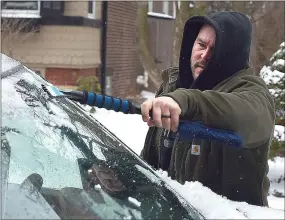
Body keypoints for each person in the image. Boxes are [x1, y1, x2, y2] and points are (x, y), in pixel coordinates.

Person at [140, 11, 275, 207]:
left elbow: (244, 116)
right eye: (201, 45)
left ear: (232, 56)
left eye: (215, 50)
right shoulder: (172, 87)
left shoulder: (254, 93)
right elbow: (151, 166)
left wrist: (187, 101)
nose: (204, 55)